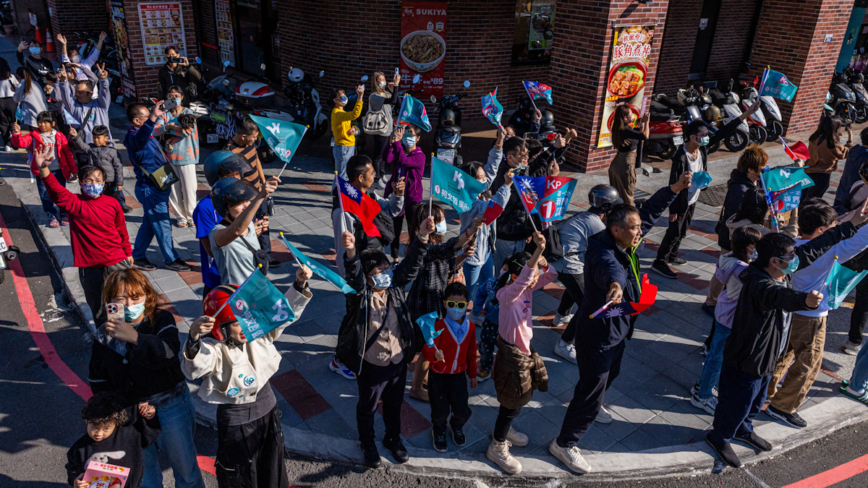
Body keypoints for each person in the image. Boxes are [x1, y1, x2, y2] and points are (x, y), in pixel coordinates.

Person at [551, 172, 692, 474]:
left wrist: (673, 189)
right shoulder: (603, 253)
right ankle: (564, 443)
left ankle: (594, 399)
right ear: (615, 230)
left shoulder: (627, 237)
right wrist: (615, 288)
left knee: (607, 376)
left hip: (619, 330)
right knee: (589, 392)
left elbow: (650, 211)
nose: (640, 232)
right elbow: (611, 273)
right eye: (634, 229)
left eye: (639, 228)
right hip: (599, 334)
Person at [183, 264, 313, 487]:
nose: (244, 327)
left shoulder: (257, 333)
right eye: (235, 323)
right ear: (220, 326)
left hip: (269, 412)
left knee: (273, 471)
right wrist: (194, 337)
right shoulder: (214, 348)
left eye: (247, 318)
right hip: (237, 423)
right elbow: (196, 365)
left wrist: (299, 284)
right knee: (240, 478)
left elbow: (282, 314)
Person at [706, 233, 823, 468]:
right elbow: (778, 296)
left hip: (767, 356)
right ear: (774, 261)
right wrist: (805, 301)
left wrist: (850, 226)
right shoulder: (758, 282)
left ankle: (743, 429)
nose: (795, 259)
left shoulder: (779, 274)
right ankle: (720, 437)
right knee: (737, 402)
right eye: (790, 256)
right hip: (748, 358)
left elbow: (810, 250)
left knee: (757, 400)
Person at [88, 268, 206, 488]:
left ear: (147, 296)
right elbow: (98, 378)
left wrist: (135, 338)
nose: (130, 304)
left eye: (136, 297)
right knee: (145, 477)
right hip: (129, 413)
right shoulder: (105, 333)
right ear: (110, 302)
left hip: (169, 406)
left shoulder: (161, 319)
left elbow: (168, 354)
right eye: (121, 299)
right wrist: (113, 411)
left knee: (186, 472)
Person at [335, 216, 435, 469]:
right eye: (377, 271)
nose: (384, 274)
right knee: (367, 407)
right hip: (371, 364)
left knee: (394, 404)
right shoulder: (359, 297)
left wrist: (422, 237)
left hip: (397, 362)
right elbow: (354, 277)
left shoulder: (395, 288)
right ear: (368, 277)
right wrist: (350, 253)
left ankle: (393, 438)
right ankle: (367, 443)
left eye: (386, 269)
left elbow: (411, 266)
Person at [765, 203, 868, 428]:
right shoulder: (829, 251)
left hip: (785, 310)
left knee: (782, 354)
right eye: (832, 226)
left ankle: (766, 391)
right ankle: (783, 407)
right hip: (811, 315)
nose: (835, 229)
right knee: (808, 363)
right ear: (822, 230)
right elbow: (861, 241)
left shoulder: (787, 246)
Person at [653, 100, 761, 279]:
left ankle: (672, 255)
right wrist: (672, 210)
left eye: (706, 134)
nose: (706, 137)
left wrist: (746, 113)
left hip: (693, 197)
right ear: (692, 137)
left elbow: (724, 131)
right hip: (680, 200)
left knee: (684, 228)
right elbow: (674, 183)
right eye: (702, 134)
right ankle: (660, 261)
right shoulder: (680, 157)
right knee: (674, 231)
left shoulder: (702, 149)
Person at [34, 144, 132, 329]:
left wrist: (127, 251)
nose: (94, 184)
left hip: (116, 262)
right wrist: (44, 168)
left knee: (119, 303)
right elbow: (56, 192)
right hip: (91, 268)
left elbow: (121, 229)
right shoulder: (75, 203)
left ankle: (121, 335)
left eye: (98, 180)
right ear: (81, 183)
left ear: (104, 183)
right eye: (89, 180)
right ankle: (106, 338)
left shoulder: (112, 203)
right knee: (99, 309)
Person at [329, 155, 406, 380]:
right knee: (354, 316)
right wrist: (349, 279)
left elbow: (391, 209)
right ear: (360, 177)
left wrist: (398, 196)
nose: (376, 176)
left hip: (374, 268)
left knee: (367, 315)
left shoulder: (368, 196)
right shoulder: (343, 209)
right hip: (357, 274)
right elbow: (342, 248)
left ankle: (362, 350)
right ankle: (340, 360)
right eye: (372, 173)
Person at [487, 236, 555, 475]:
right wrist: (538, 250)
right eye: (530, 275)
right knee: (510, 403)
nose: (535, 280)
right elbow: (527, 277)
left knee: (517, 400)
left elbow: (552, 276)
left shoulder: (526, 287)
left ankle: (506, 431)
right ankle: (497, 445)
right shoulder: (508, 294)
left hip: (524, 351)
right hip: (511, 355)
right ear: (515, 277)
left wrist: (544, 264)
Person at [406, 203, 483, 403]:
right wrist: (471, 231)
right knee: (427, 348)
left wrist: (463, 256)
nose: (443, 223)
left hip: (435, 301)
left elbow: (447, 264)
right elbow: (445, 249)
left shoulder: (436, 247)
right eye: (439, 220)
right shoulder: (422, 246)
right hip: (424, 305)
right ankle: (416, 388)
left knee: (429, 346)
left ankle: (421, 379)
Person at [690, 226, 762, 414]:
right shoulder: (742, 269)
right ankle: (703, 396)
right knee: (717, 357)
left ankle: (703, 385)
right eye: (756, 244)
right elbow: (758, 283)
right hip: (731, 317)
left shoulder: (727, 258)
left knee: (717, 355)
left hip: (724, 311)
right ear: (747, 248)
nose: (758, 248)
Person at [552, 185, 622, 364]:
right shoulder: (596, 224)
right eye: (615, 209)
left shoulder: (585, 216)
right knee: (589, 306)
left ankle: (561, 315)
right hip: (568, 265)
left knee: (577, 287)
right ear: (607, 208)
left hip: (561, 263)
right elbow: (610, 249)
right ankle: (565, 344)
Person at [705, 144, 770, 315]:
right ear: (750, 169)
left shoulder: (749, 183)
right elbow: (733, 219)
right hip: (731, 237)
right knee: (723, 270)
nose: (765, 170)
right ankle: (711, 302)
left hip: (739, 236)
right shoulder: (740, 190)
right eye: (762, 168)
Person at [125, 102, 190, 272]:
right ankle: (171, 259)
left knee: (149, 222)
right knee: (162, 223)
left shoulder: (144, 134)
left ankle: (138, 256)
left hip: (159, 183)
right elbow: (142, 138)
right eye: (147, 116)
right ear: (137, 121)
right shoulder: (134, 137)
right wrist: (153, 118)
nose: (152, 119)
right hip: (150, 188)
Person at [423, 282, 478, 452]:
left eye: (460, 305)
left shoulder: (471, 327)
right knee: (439, 409)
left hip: (458, 375)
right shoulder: (438, 326)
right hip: (438, 376)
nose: (456, 308)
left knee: (462, 409)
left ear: (467, 305)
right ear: (445, 303)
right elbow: (427, 349)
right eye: (451, 304)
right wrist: (434, 355)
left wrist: (473, 373)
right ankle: (438, 430)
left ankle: (456, 425)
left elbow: (471, 351)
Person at [66, 392, 160, 488]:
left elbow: (150, 436)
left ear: (116, 423)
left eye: (106, 429)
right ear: (86, 421)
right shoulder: (79, 448)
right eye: (94, 427)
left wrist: (149, 418)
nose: (99, 433)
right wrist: (75, 479)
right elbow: (73, 468)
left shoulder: (129, 436)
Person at [459, 129, 511, 302]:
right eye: (480, 178)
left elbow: (491, 168)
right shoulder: (470, 202)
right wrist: (507, 186)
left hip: (486, 250)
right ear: (471, 181)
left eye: (483, 178)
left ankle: (478, 312)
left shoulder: (480, 191)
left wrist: (499, 143)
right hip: (472, 252)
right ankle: (461, 318)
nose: (485, 180)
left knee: (487, 284)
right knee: (468, 290)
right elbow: (494, 207)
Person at [196, 151, 256, 297]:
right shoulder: (204, 208)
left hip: (244, 275)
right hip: (218, 279)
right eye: (231, 176)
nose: (237, 179)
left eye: (238, 174)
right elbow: (211, 250)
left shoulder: (241, 202)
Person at [223, 117, 276, 265]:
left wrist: (264, 184)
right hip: (246, 197)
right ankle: (253, 255)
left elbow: (257, 160)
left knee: (264, 222)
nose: (254, 141)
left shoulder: (250, 145)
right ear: (243, 136)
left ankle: (266, 254)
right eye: (253, 138)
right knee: (249, 225)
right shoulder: (229, 151)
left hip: (259, 192)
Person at [209, 175, 279, 286]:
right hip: (236, 297)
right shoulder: (216, 233)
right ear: (224, 207)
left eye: (247, 201)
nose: (246, 206)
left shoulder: (250, 225)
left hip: (257, 289)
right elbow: (236, 231)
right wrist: (261, 195)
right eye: (239, 203)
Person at [11, 112, 77, 228]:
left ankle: (63, 212)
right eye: (40, 122)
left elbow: (68, 154)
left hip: (59, 171)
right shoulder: (33, 136)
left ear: (52, 123)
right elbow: (20, 143)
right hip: (42, 172)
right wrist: (16, 134)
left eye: (46, 122)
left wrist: (74, 170)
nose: (42, 124)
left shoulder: (60, 136)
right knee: (45, 194)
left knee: (61, 193)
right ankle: (51, 214)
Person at [154, 85, 200, 228]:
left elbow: (187, 132)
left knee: (190, 189)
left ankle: (191, 216)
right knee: (173, 190)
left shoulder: (188, 112)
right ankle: (180, 217)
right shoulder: (165, 113)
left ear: (182, 97)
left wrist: (167, 129)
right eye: (170, 95)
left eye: (176, 95)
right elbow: (155, 131)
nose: (173, 98)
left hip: (187, 157)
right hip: (167, 157)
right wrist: (169, 127)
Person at [383, 125, 425, 261]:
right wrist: (391, 142)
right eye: (405, 134)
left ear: (417, 138)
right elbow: (387, 158)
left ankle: (412, 258)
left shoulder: (420, 156)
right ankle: (395, 258)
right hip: (398, 196)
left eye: (410, 134)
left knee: (413, 230)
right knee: (395, 229)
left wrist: (397, 143)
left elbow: (403, 161)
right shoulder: (399, 149)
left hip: (412, 198)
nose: (406, 137)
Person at [68, 124, 131, 213]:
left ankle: (114, 214)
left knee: (112, 200)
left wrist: (119, 183)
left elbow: (118, 167)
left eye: (98, 138)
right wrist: (75, 136)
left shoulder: (112, 150)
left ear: (106, 138)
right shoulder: (91, 149)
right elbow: (81, 146)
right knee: (99, 200)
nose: (96, 140)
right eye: (94, 138)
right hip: (98, 182)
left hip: (110, 181)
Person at [842, 162, 868, 355]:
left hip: (847, 244)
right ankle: (854, 341)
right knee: (863, 298)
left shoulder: (857, 187)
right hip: (864, 249)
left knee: (835, 282)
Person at [57, 62, 112, 144]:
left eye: (80, 92)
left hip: (104, 148)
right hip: (84, 149)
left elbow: (104, 92)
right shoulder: (74, 107)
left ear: (90, 93)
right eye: (76, 92)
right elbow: (66, 95)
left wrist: (103, 80)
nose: (77, 94)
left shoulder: (101, 105)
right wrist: (63, 81)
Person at [802, 115, 852, 204]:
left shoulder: (814, 138)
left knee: (803, 198)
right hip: (822, 175)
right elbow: (845, 153)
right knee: (813, 201)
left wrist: (836, 137)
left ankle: (795, 216)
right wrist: (850, 136)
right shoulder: (832, 143)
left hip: (808, 171)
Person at [474, 257, 509, 382]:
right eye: (504, 269)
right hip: (489, 323)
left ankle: (504, 371)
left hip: (506, 327)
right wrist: (478, 307)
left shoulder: (515, 291)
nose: (505, 272)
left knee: (505, 351)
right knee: (485, 347)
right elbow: (480, 293)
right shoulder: (490, 283)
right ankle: (485, 368)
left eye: (509, 271)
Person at [608, 105, 649, 207]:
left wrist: (642, 123)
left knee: (618, 193)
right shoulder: (625, 130)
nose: (633, 115)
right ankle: (629, 215)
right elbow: (644, 136)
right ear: (625, 118)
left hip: (617, 163)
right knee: (627, 194)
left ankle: (616, 212)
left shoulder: (620, 128)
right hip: (625, 164)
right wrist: (647, 122)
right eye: (631, 113)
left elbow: (638, 133)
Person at [367, 71, 401, 189]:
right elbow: (391, 101)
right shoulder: (374, 96)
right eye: (380, 79)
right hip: (380, 128)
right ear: (376, 82)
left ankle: (381, 174)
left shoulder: (385, 93)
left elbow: (398, 104)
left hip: (388, 128)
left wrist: (393, 90)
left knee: (384, 153)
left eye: (384, 79)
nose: (383, 81)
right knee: (378, 154)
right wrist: (396, 86)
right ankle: (376, 179)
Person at [331, 84, 365, 182]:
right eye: (341, 96)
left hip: (349, 146)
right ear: (335, 100)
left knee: (346, 175)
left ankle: (340, 195)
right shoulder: (337, 113)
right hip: (343, 148)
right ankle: (337, 196)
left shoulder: (343, 113)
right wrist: (360, 97)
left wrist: (354, 128)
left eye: (344, 94)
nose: (344, 97)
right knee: (342, 177)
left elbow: (349, 123)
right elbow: (355, 114)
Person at [834, 127, 868, 208]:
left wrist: (850, 134)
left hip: (842, 193)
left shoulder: (854, 149)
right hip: (856, 199)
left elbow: (850, 146)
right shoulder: (866, 157)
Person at [0, 58, 18, 151]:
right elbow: (17, 87)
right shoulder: (11, 77)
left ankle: (7, 143)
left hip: (0, 101)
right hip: (11, 100)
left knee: (3, 123)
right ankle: (14, 142)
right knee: (14, 121)